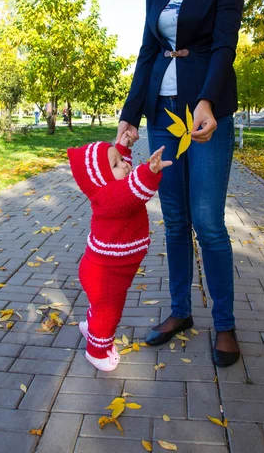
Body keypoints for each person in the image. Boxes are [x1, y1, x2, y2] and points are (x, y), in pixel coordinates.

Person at [117, 0, 244, 367]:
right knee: (174, 221)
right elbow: (148, 52)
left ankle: (226, 325)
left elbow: (224, 45)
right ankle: (179, 312)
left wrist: (208, 101)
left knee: (208, 223)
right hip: (162, 116)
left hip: (204, 115)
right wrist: (130, 118)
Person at [67, 133, 172, 371]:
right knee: (109, 313)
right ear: (101, 178)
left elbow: (120, 175)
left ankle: (90, 327)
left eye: (120, 160)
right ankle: (97, 351)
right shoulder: (109, 197)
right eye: (116, 164)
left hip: (109, 269)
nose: (125, 165)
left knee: (101, 306)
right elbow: (132, 190)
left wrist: (122, 148)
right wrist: (149, 172)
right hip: (106, 274)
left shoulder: (108, 186)